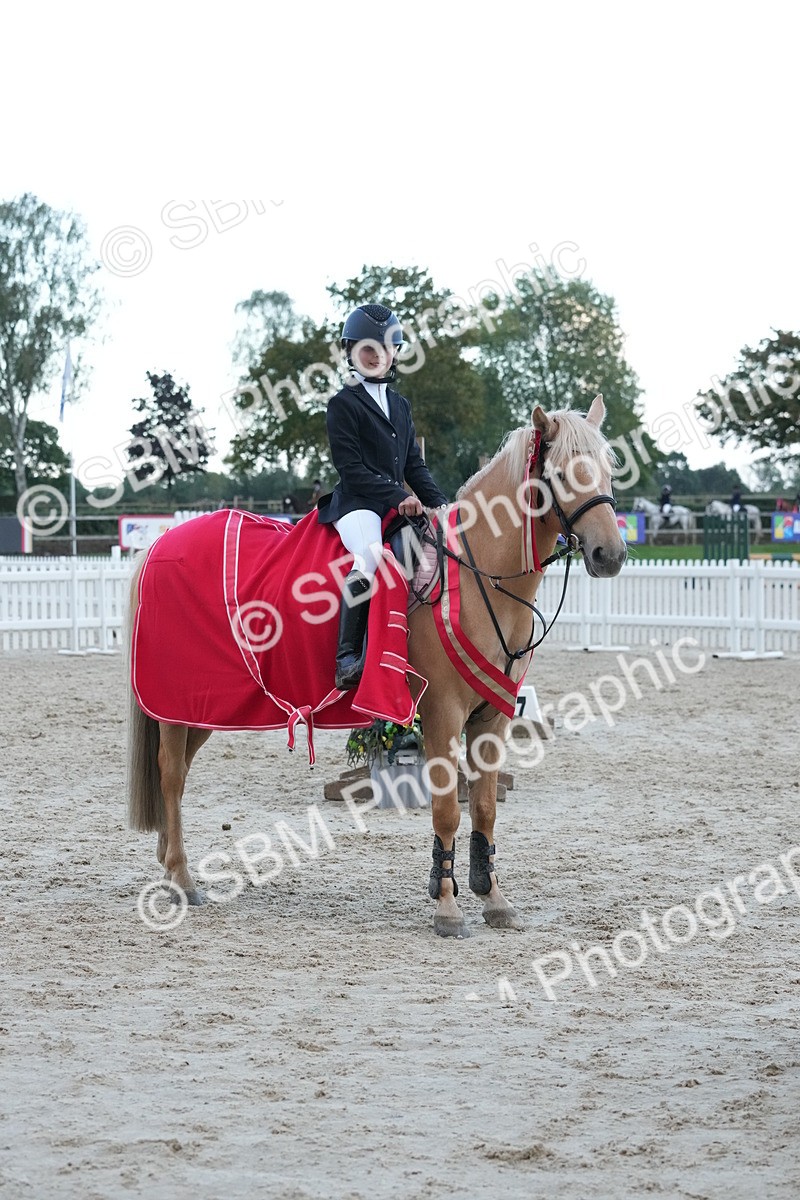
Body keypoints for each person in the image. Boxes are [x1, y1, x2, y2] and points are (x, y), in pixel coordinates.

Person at [317, 303, 448, 690]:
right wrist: (397, 496)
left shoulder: (401, 406)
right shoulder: (343, 404)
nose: (377, 356)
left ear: (394, 353)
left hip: (394, 505)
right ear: (352, 353)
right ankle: (347, 658)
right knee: (370, 556)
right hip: (358, 505)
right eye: (367, 350)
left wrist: (442, 505)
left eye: (384, 348)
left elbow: (414, 466)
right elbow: (351, 469)